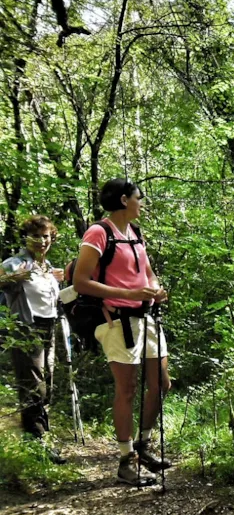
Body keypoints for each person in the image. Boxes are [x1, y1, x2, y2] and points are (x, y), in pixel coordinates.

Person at [72, 179, 170, 486]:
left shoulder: (135, 233)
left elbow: (147, 272)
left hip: (147, 318)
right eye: (139, 198)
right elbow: (81, 281)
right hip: (116, 322)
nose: (142, 204)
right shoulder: (98, 232)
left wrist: (155, 289)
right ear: (125, 200)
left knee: (161, 384)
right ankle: (126, 461)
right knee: (126, 390)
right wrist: (129, 295)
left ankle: (144, 444)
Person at [0, 215, 67, 464]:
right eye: (36, 236)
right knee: (33, 385)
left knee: (46, 383)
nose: (41, 241)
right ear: (26, 238)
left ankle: (41, 437)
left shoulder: (48, 267)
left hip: (49, 328)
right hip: (25, 328)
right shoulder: (14, 264)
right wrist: (11, 279)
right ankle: (37, 442)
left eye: (46, 236)